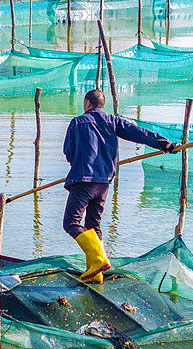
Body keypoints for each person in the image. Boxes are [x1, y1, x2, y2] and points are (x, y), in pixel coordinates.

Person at [63, 89, 181, 284]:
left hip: (83, 180)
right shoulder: (113, 121)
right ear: (102, 105)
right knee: (94, 225)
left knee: (71, 222)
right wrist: (165, 144)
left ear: (87, 103)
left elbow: (68, 151)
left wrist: (78, 164)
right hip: (103, 183)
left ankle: (99, 259)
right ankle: (96, 273)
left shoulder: (77, 122)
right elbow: (140, 133)